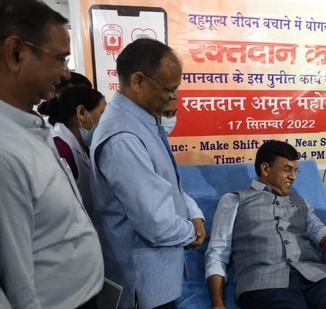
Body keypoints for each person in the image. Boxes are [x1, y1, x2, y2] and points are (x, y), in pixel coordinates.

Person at [0, 0, 104, 308]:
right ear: (16, 52)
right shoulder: (6, 152)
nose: (63, 74)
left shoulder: (31, 130)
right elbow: (16, 280)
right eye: (60, 59)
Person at [89, 38, 206, 309]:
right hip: (141, 285)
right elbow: (155, 224)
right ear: (139, 81)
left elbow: (166, 182)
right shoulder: (123, 137)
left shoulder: (143, 121)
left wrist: (193, 213)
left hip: (157, 278)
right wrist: (192, 232)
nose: (174, 98)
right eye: (169, 89)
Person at [205, 140, 326, 309]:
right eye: (286, 170)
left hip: (317, 278)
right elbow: (218, 251)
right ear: (265, 169)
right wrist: (218, 303)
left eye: (295, 171)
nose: (293, 177)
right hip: (264, 283)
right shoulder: (234, 200)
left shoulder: (299, 203)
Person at [37, 86, 106, 214]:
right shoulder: (61, 149)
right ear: (82, 113)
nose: (106, 120)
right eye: (102, 113)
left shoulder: (83, 145)